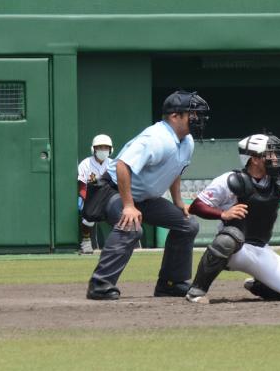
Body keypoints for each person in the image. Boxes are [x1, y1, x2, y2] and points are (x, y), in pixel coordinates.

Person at [185, 133, 280, 303]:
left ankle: (259, 285)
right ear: (255, 159)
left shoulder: (278, 180)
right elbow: (196, 206)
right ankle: (196, 291)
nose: (275, 158)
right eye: (269, 154)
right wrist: (222, 214)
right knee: (227, 240)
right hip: (235, 250)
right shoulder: (231, 180)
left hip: (261, 248)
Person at [86, 90, 210, 300]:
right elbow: (123, 165)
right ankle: (100, 285)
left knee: (188, 224)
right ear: (174, 116)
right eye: (193, 113)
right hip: (113, 192)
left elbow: (176, 170)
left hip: (143, 199)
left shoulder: (186, 141)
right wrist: (128, 206)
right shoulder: (156, 137)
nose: (198, 118)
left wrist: (178, 202)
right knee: (131, 226)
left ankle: (171, 283)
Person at [77, 134, 114, 254]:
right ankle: (86, 242)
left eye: (106, 148)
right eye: (100, 147)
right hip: (91, 197)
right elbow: (82, 186)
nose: (103, 150)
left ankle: (117, 244)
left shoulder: (113, 164)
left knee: (118, 213)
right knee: (89, 216)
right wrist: (85, 199)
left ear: (110, 150)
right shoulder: (85, 164)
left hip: (109, 197)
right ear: (94, 149)